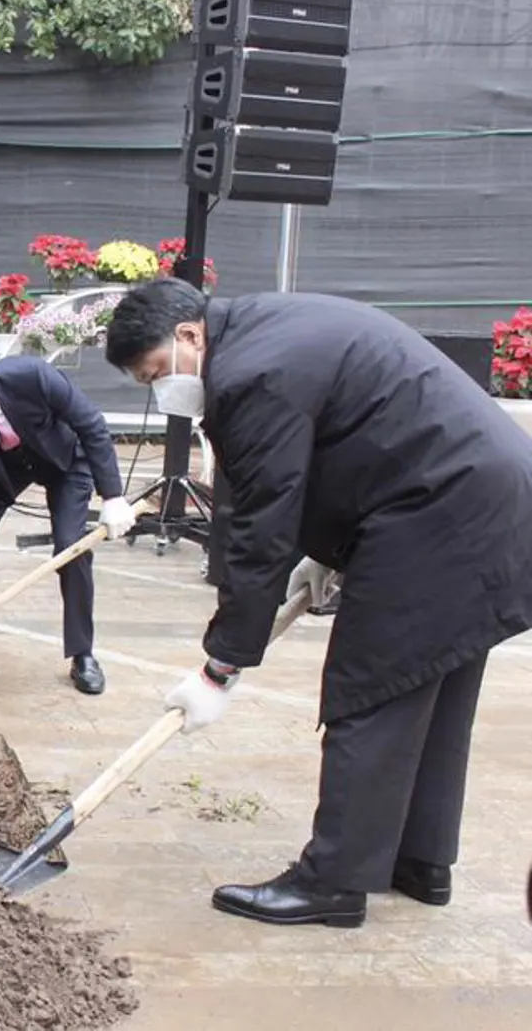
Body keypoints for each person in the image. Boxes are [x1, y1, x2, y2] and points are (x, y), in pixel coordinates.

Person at [105, 277, 532, 928]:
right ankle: (416, 861)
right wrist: (327, 554)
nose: (161, 390)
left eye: (157, 372)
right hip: (482, 496)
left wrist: (221, 666)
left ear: (189, 335)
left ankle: (332, 880)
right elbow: (346, 438)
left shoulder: (249, 372)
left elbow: (258, 524)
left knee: (368, 686)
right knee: (431, 682)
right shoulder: (267, 328)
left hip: (438, 507)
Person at [0, 350, 136, 694]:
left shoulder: (32, 376)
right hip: (3, 470)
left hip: (64, 461)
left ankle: (83, 654)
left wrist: (113, 496)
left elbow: (91, 424)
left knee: (70, 547)